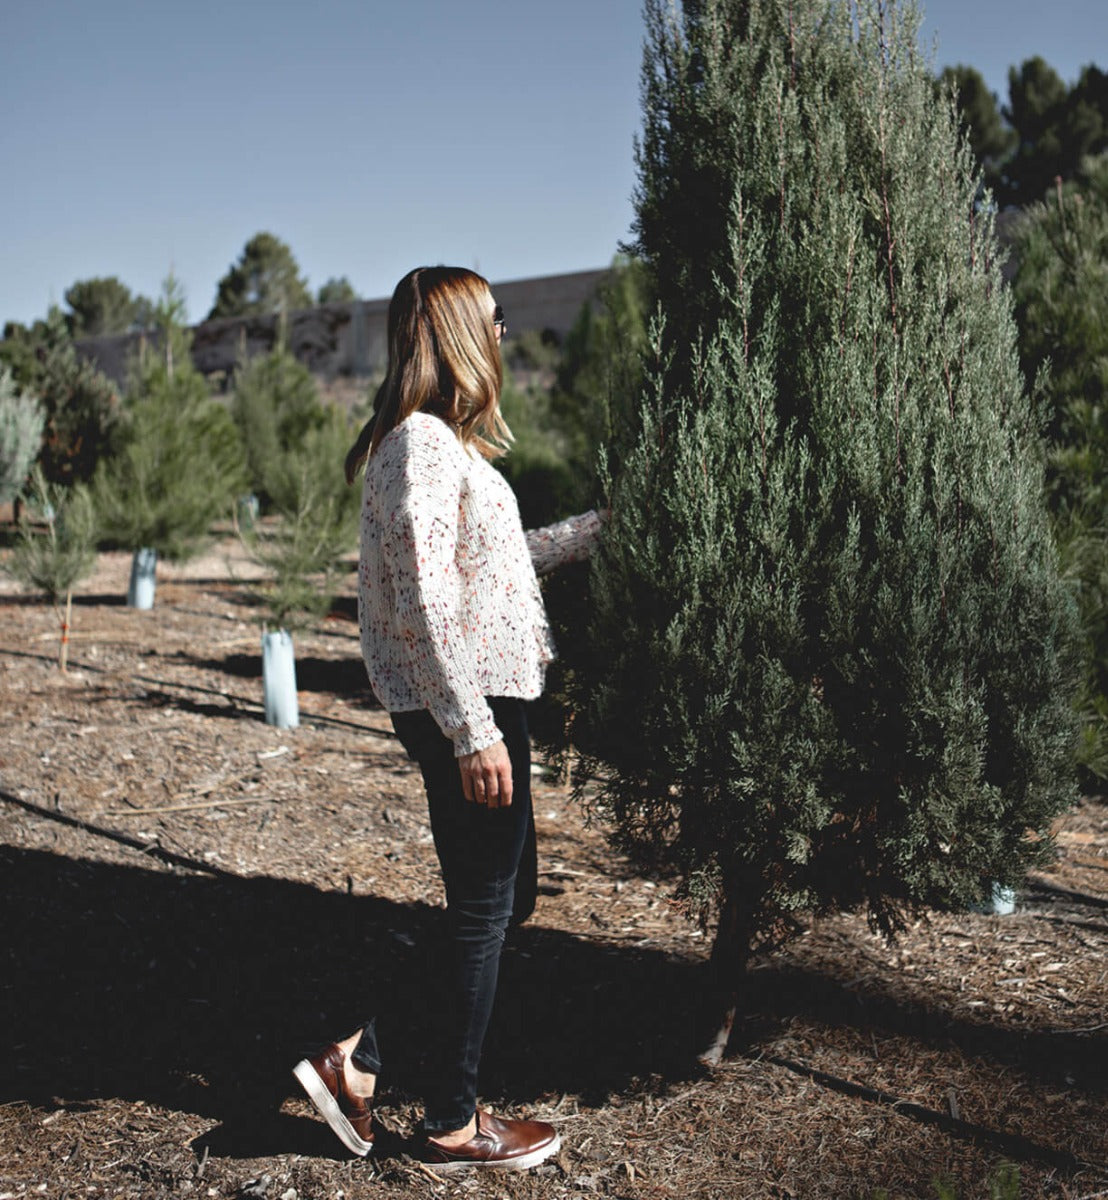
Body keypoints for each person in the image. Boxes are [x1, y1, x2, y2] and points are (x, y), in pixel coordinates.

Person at [293, 266, 604, 1171]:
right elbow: (424, 598)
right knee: (482, 910)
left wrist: (599, 530)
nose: (506, 333)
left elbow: (499, 570)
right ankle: (450, 1122)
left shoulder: (449, 449)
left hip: (482, 694)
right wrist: (471, 729)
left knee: (503, 903)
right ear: (461, 330)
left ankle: (362, 1060)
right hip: (464, 702)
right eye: (495, 318)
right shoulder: (419, 446)